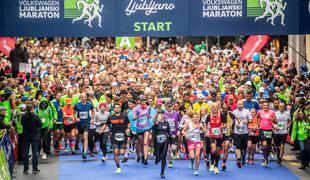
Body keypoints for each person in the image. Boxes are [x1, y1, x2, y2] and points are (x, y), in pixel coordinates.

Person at [101, 103, 130, 174]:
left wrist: (128, 128)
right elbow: (106, 124)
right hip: (114, 136)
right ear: (114, 109)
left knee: (122, 152)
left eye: (118, 107)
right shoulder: (111, 117)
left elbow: (129, 123)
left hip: (123, 135)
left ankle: (120, 154)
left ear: (120, 108)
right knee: (115, 152)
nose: (117, 109)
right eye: (115, 107)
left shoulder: (124, 116)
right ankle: (118, 167)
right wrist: (102, 129)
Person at [205, 103, 227, 174]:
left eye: (216, 107)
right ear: (211, 108)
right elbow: (205, 124)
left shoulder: (222, 115)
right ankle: (212, 163)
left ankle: (216, 166)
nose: (215, 109)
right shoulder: (209, 115)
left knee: (217, 152)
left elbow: (225, 124)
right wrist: (207, 131)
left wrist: (223, 127)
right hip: (212, 136)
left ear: (218, 108)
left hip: (219, 136)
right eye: (213, 107)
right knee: (213, 150)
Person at [21, 104, 42, 174]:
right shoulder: (35, 116)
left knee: (25, 152)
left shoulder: (23, 116)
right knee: (34, 152)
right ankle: (34, 169)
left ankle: (25, 169)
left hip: (26, 135)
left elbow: (22, 124)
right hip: (34, 135)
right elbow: (40, 124)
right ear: (32, 109)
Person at [74, 92, 95, 160]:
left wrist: (92, 117)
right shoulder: (77, 105)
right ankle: (84, 147)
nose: (83, 98)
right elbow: (73, 113)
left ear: (86, 97)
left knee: (85, 137)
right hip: (80, 123)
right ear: (80, 98)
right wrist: (76, 118)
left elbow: (93, 110)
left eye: (84, 97)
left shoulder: (89, 104)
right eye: (82, 97)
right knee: (82, 138)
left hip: (86, 122)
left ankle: (85, 153)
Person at [133, 96, 154, 165]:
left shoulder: (149, 108)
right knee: (141, 144)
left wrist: (149, 116)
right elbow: (133, 118)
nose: (143, 101)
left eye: (144, 100)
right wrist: (139, 116)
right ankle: (142, 155)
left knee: (145, 143)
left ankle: (145, 158)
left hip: (147, 128)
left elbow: (151, 117)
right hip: (139, 128)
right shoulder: (136, 109)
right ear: (140, 101)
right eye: (142, 100)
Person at [232, 100, 253, 168]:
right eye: (238, 104)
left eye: (241, 104)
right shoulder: (234, 112)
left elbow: (251, 120)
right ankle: (238, 160)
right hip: (236, 132)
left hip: (245, 132)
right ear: (236, 105)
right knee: (238, 147)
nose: (239, 106)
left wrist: (246, 121)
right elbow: (232, 121)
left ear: (243, 105)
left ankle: (243, 156)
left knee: (244, 148)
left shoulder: (247, 112)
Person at [257, 101, 277, 167]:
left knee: (268, 146)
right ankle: (265, 159)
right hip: (262, 130)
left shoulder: (272, 112)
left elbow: (276, 121)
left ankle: (266, 158)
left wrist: (273, 120)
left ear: (269, 106)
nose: (265, 106)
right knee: (264, 144)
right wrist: (257, 125)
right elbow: (258, 118)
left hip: (269, 130)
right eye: (264, 105)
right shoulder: (260, 112)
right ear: (262, 106)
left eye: (267, 105)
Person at [164, 101, 181, 168]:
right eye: (168, 107)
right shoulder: (164, 114)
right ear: (166, 107)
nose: (169, 108)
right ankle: (170, 162)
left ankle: (174, 152)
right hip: (167, 134)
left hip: (174, 134)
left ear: (172, 107)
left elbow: (181, 122)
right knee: (168, 149)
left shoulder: (176, 114)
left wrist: (179, 130)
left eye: (170, 107)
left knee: (173, 148)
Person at [153, 111, 170, 178]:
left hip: (165, 141)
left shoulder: (166, 123)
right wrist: (156, 122)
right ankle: (157, 159)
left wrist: (170, 141)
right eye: (159, 115)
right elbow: (153, 129)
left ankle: (162, 172)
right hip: (157, 142)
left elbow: (169, 132)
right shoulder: (156, 123)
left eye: (162, 115)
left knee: (164, 156)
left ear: (163, 115)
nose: (161, 116)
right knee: (158, 157)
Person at [221, 103, 235, 170]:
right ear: (222, 108)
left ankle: (224, 163)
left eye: (226, 108)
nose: (225, 109)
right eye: (223, 108)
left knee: (226, 147)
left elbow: (235, 119)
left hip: (228, 133)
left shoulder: (230, 114)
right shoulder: (219, 113)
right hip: (220, 133)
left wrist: (232, 125)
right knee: (218, 149)